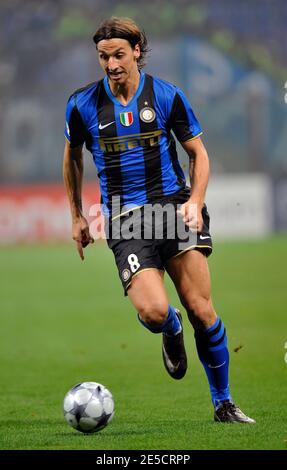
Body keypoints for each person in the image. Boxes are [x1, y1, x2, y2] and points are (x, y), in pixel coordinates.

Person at [63, 16, 255, 424]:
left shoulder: (166, 96)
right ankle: (171, 328)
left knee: (203, 310)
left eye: (118, 55)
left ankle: (223, 402)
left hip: (172, 207)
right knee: (153, 312)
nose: (111, 64)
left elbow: (198, 154)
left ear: (136, 51)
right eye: (103, 57)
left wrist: (196, 200)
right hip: (125, 218)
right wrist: (77, 214)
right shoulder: (82, 104)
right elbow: (72, 155)